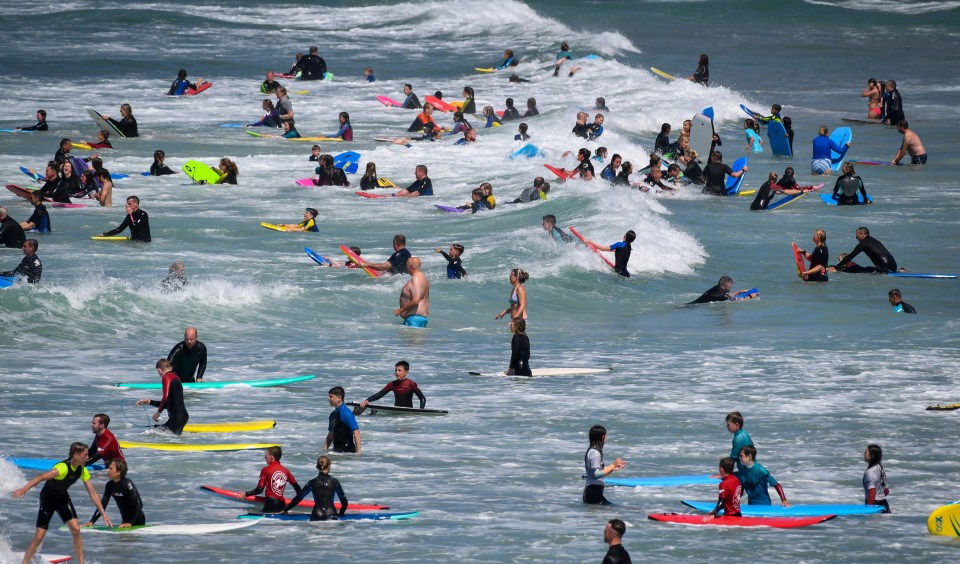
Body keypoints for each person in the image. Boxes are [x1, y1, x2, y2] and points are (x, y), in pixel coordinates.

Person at [13, 442, 113, 564]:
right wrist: (24, 489)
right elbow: (41, 477)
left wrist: (103, 514)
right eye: (85, 455)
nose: (88, 457)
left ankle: (81, 563)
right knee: (39, 536)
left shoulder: (82, 469)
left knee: (76, 530)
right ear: (76, 455)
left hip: (62, 498)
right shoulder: (62, 468)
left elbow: (92, 492)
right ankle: (25, 562)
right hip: (48, 499)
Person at [82, 459, 144, 529]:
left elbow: (139, 503)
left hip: (138, 521)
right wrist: (92, 521)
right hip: (125, 521)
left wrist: (131, 522)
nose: (108, 470)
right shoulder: (109, 485)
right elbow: (102, 505)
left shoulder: (127, 483)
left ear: (118, 472)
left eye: (111, 469)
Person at [282, 455, 347, 521]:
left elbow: (298, 498)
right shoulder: (335, 482)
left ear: (317, 467)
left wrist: (285, 510)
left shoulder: (312, 482)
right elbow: (344, 502)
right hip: (331, 514)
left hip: (317, 514)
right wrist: (341, 513)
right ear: (329, 466)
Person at [136, 359, 189, 435]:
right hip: (183, 417)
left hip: (176, 418)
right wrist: (149, 402)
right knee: (168, 437)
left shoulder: (166, 377)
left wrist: (158, 413)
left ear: (159, 370)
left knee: (156, 434)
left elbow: (165, 398)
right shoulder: (175, 377)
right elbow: (168, 403)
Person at [244, 446, 302, 513]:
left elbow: (259, 490)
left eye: (266, 455)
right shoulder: (286, 471)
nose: (265, 457)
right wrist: (294, 503)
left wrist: (245, 494)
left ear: (271, 457)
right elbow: (298, 488)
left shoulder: (266, 470)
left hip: (270, 506)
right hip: (282, 506)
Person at [583, 425, 627, 505]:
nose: (607, 438)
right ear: (602, 437)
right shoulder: (595, 453)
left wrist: (612, 469)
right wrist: (613, 465)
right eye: (606, 435)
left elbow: (596, 473)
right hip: (593, 493)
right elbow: (597, 474)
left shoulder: (593, 451)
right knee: (617, 510)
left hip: (592, 493)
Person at [360, 360, 426, 409]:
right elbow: (380, 394)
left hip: (408, 413)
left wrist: (421, 410)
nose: (397, 372)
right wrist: (367, 400)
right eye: (396, 370)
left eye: (399, 370)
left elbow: (422, 398)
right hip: (395, 413)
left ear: (406, 372)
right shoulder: (392, 384)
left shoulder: (411, 384)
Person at [394, 257, 430, 327]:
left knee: (411, 338)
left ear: (410, 267)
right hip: (419, 318)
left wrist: (400, 310)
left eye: (406, 264)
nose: (406, 266)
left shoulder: (416, 278)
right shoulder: (424, 278)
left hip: (414, 319)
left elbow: (416, 300)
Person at [324, 387, 361, 453]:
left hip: (347, 452)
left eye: (331, 396)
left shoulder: (346, 413)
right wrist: (324, 451)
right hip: (336, 451)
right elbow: (330, 435)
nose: (328, 398)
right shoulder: (332, 415)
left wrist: (358, 453)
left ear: (339, 398)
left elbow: (356, 432)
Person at [863, 444, 891, 513]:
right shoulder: (880, 468)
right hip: (884, 505)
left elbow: (872, 493)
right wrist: (880, 498)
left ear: (872, 456)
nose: (864, 455)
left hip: (874, 506)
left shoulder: (870, 472)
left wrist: (867, 510)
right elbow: (886, 490)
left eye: (866, 453)